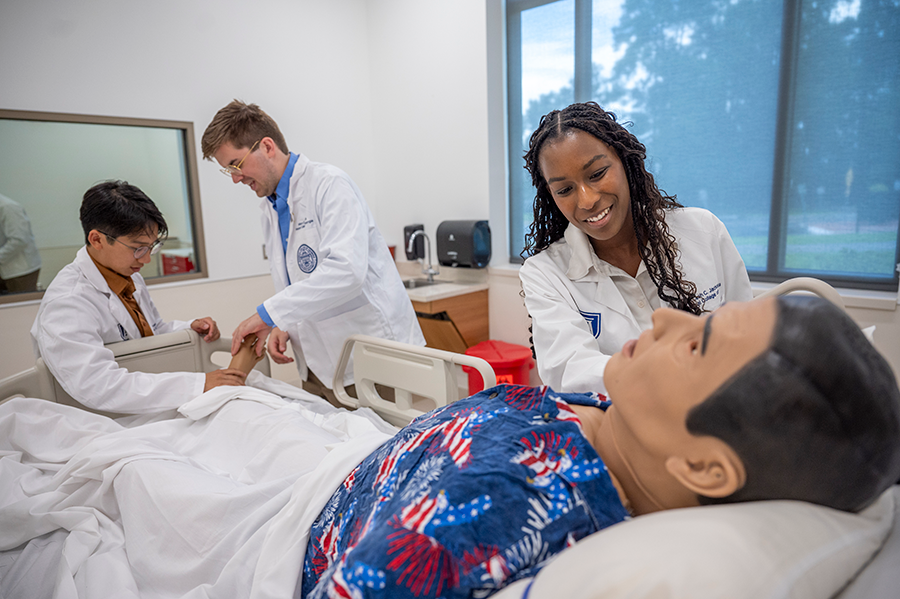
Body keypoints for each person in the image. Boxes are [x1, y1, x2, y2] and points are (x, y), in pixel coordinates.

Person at [300, 295, 900, 598]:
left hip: (293, 501)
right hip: (349, 449)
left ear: (702, 465)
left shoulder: (503, 499)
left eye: (697, 346)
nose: (666, 318)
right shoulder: (630, 431)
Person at [519, 102, 753, 395]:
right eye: (565, 190)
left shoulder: (704, 232)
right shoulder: (544, 273)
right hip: (627, 430)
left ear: (625, 163)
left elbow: (748, 336)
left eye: (597, 173)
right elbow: (568, 371)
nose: (587, 200)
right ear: (551, 197)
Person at [201, 100, 425, 405]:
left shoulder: (329, 185)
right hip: (317, 364)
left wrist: (268, 315)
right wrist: (285, 325)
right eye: (228, 171)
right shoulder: (270, 206)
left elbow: (346, 271)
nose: (236, 178)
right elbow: (299, 279)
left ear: (267, 146)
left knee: (378, 447)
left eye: (236, 165)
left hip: (370, 360)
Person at [30, 180, 247, 414]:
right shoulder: (68, 302)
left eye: (151, 247)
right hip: (101, 420)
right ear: (97, 239)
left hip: (142, 406)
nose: (146, 259)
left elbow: (150, 332)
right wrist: (199, 384)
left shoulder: (128, 277)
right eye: (138, 248)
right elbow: (99, 386)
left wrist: (188, 328)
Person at [0, 191, 41, 294]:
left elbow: (19, 240)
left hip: (20, 271)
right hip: (6, 268)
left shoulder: (8, 207)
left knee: (22, 306)